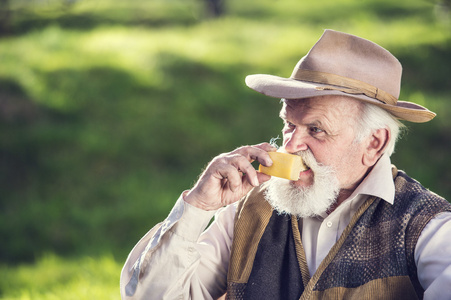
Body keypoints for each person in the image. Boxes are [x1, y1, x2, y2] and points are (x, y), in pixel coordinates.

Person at [120, 30, 451, 299]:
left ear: (373, 143)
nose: (291, 145)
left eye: (315, 129)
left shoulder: (427, 227)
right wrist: (198, 206)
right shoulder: (249, 208)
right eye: (289, 124)